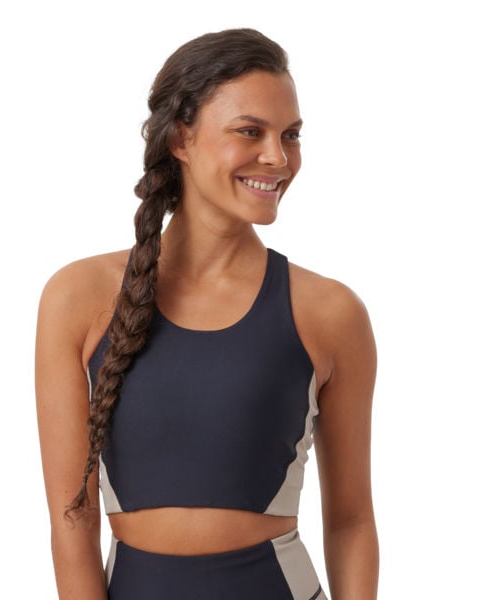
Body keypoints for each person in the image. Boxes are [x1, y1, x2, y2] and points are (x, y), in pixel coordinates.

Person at [35, 28, 378, 600]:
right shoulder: (78, 297)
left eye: (290, 135)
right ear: (180, 137)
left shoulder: (329, 311)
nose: (278, 157)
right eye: (250, 131)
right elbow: (73, 521)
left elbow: (351, 521)